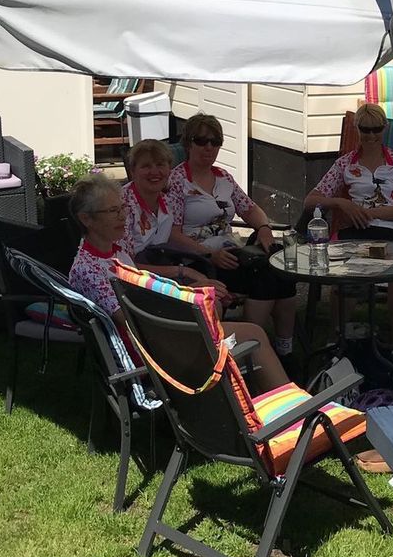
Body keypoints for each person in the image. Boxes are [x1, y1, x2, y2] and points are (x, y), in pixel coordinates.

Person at [67, 174, 291, 395]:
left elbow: (141, 294)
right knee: (253, 336)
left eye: (122, 208)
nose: (123, 216)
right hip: (155, 357)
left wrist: (191, 291)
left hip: (158, 341)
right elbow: (132, 318)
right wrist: (187, 299)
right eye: (112, 211)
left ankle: (267, 401)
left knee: (217, 309)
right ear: (86, 219)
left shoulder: (112, 253)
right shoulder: (89, 270)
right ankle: (291, 406)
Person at [168, 114, 298, 356]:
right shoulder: (176, 181)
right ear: (188, 144)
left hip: (229, 253)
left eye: (215, 141)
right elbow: (171, 235)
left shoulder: (223, 177)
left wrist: (264, 228)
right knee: (266, 277)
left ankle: (282, 348)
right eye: (201, 141)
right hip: (198, 259)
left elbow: (249, 208)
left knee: (282, 271)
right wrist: (210, 253)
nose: (209, 147)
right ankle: (251, 351)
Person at [303, 103, 393, 351]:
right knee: (346, 271)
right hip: (355, 231)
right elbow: (310, 201)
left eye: (376, 129)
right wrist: (341, 203)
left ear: (385, 128)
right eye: (365, 129)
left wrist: (366, 213)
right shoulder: (345, 164)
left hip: (389, 231)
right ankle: (338, 339)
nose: (371, 135)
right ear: (358, 129)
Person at [120, 138, 212, 276]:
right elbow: (125, 266)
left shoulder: (169, 202)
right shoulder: (121, 206)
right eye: (146, 166)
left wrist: (210, 254)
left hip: (162, 269)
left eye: (160, 165)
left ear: (169, 169)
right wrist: (182, 272)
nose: (154, 171)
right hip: (130, 278)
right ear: (133, 171)